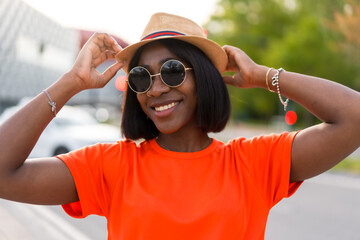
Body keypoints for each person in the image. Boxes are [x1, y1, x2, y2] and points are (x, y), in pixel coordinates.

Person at [0, 12, 359, 240]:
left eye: (172, 71)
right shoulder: (112, 165)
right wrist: (71, 83)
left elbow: (354, 118)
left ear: (202, 77)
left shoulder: (254, 161)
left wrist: (265, 76)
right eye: (141, 77)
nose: (156, 88)